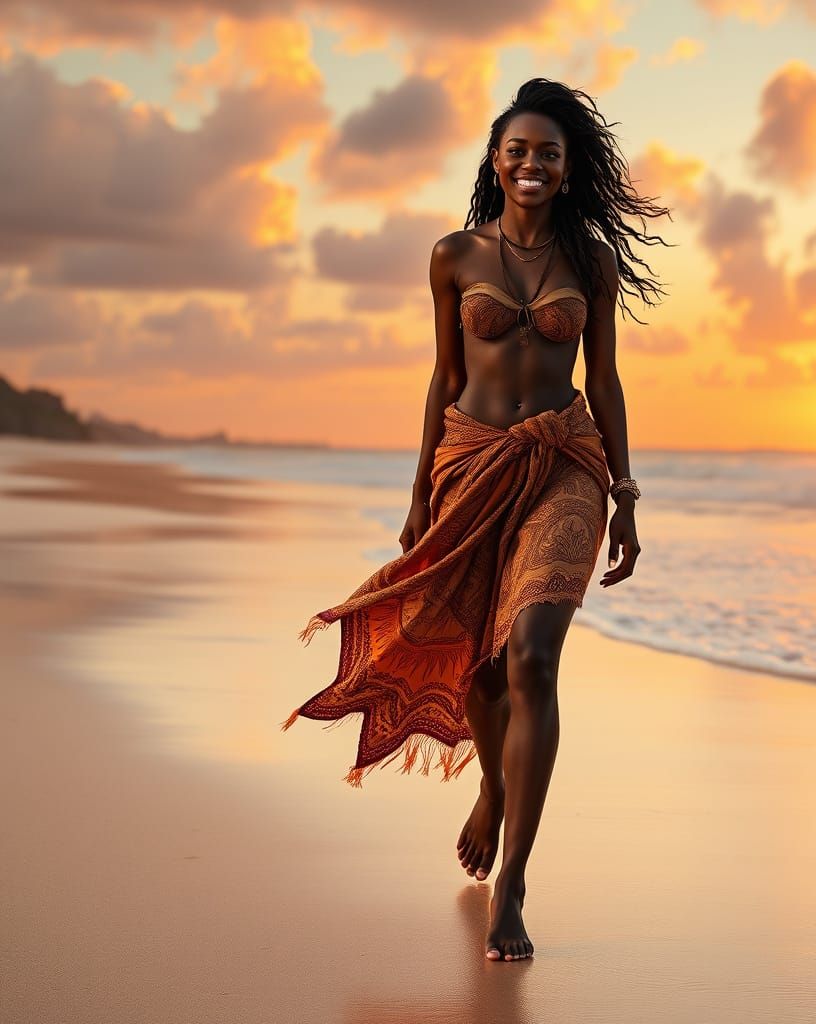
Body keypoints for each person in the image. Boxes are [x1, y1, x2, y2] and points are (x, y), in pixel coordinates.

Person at [281, 78, 669, 964]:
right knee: (484, 671)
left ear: (569, 172)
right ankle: (493, 788)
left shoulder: (593, 262)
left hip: (566, 461)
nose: (533, 164)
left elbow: (603, 379)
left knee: (532, 655)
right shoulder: (454, 255)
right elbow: (442, 374)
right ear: (496, 162)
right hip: (470, 461)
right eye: (518, 150)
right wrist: (420, 487)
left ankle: (514, 886)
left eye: (550, 154)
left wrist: (626, 492)